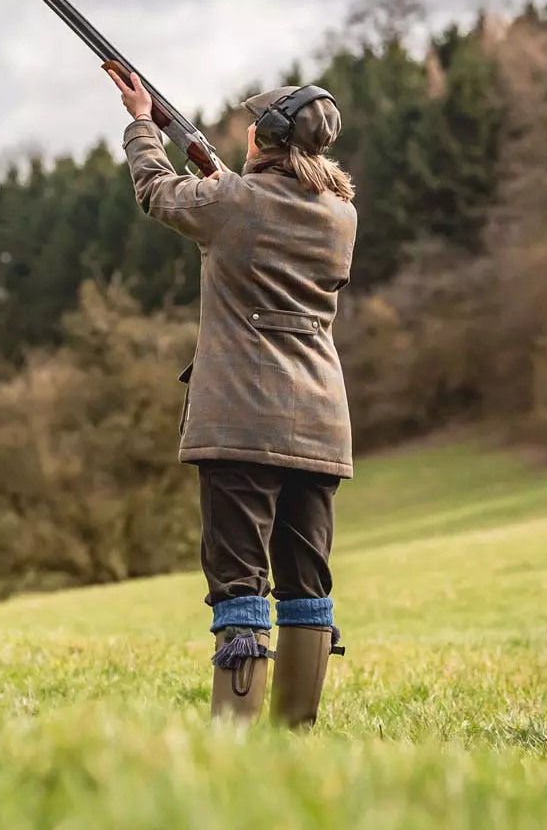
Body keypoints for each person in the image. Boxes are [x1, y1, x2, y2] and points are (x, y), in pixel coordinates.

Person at [107, 68, 357, 729]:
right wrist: (223, 174)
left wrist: (140, 120)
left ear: (261, 139)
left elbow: (157, 192)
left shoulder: (233, 203)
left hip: (242, 421)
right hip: (321, 424)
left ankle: (237, 742)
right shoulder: (341, 215)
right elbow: (261, 204)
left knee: (240, 582)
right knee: (308, 582)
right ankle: (295, 729)